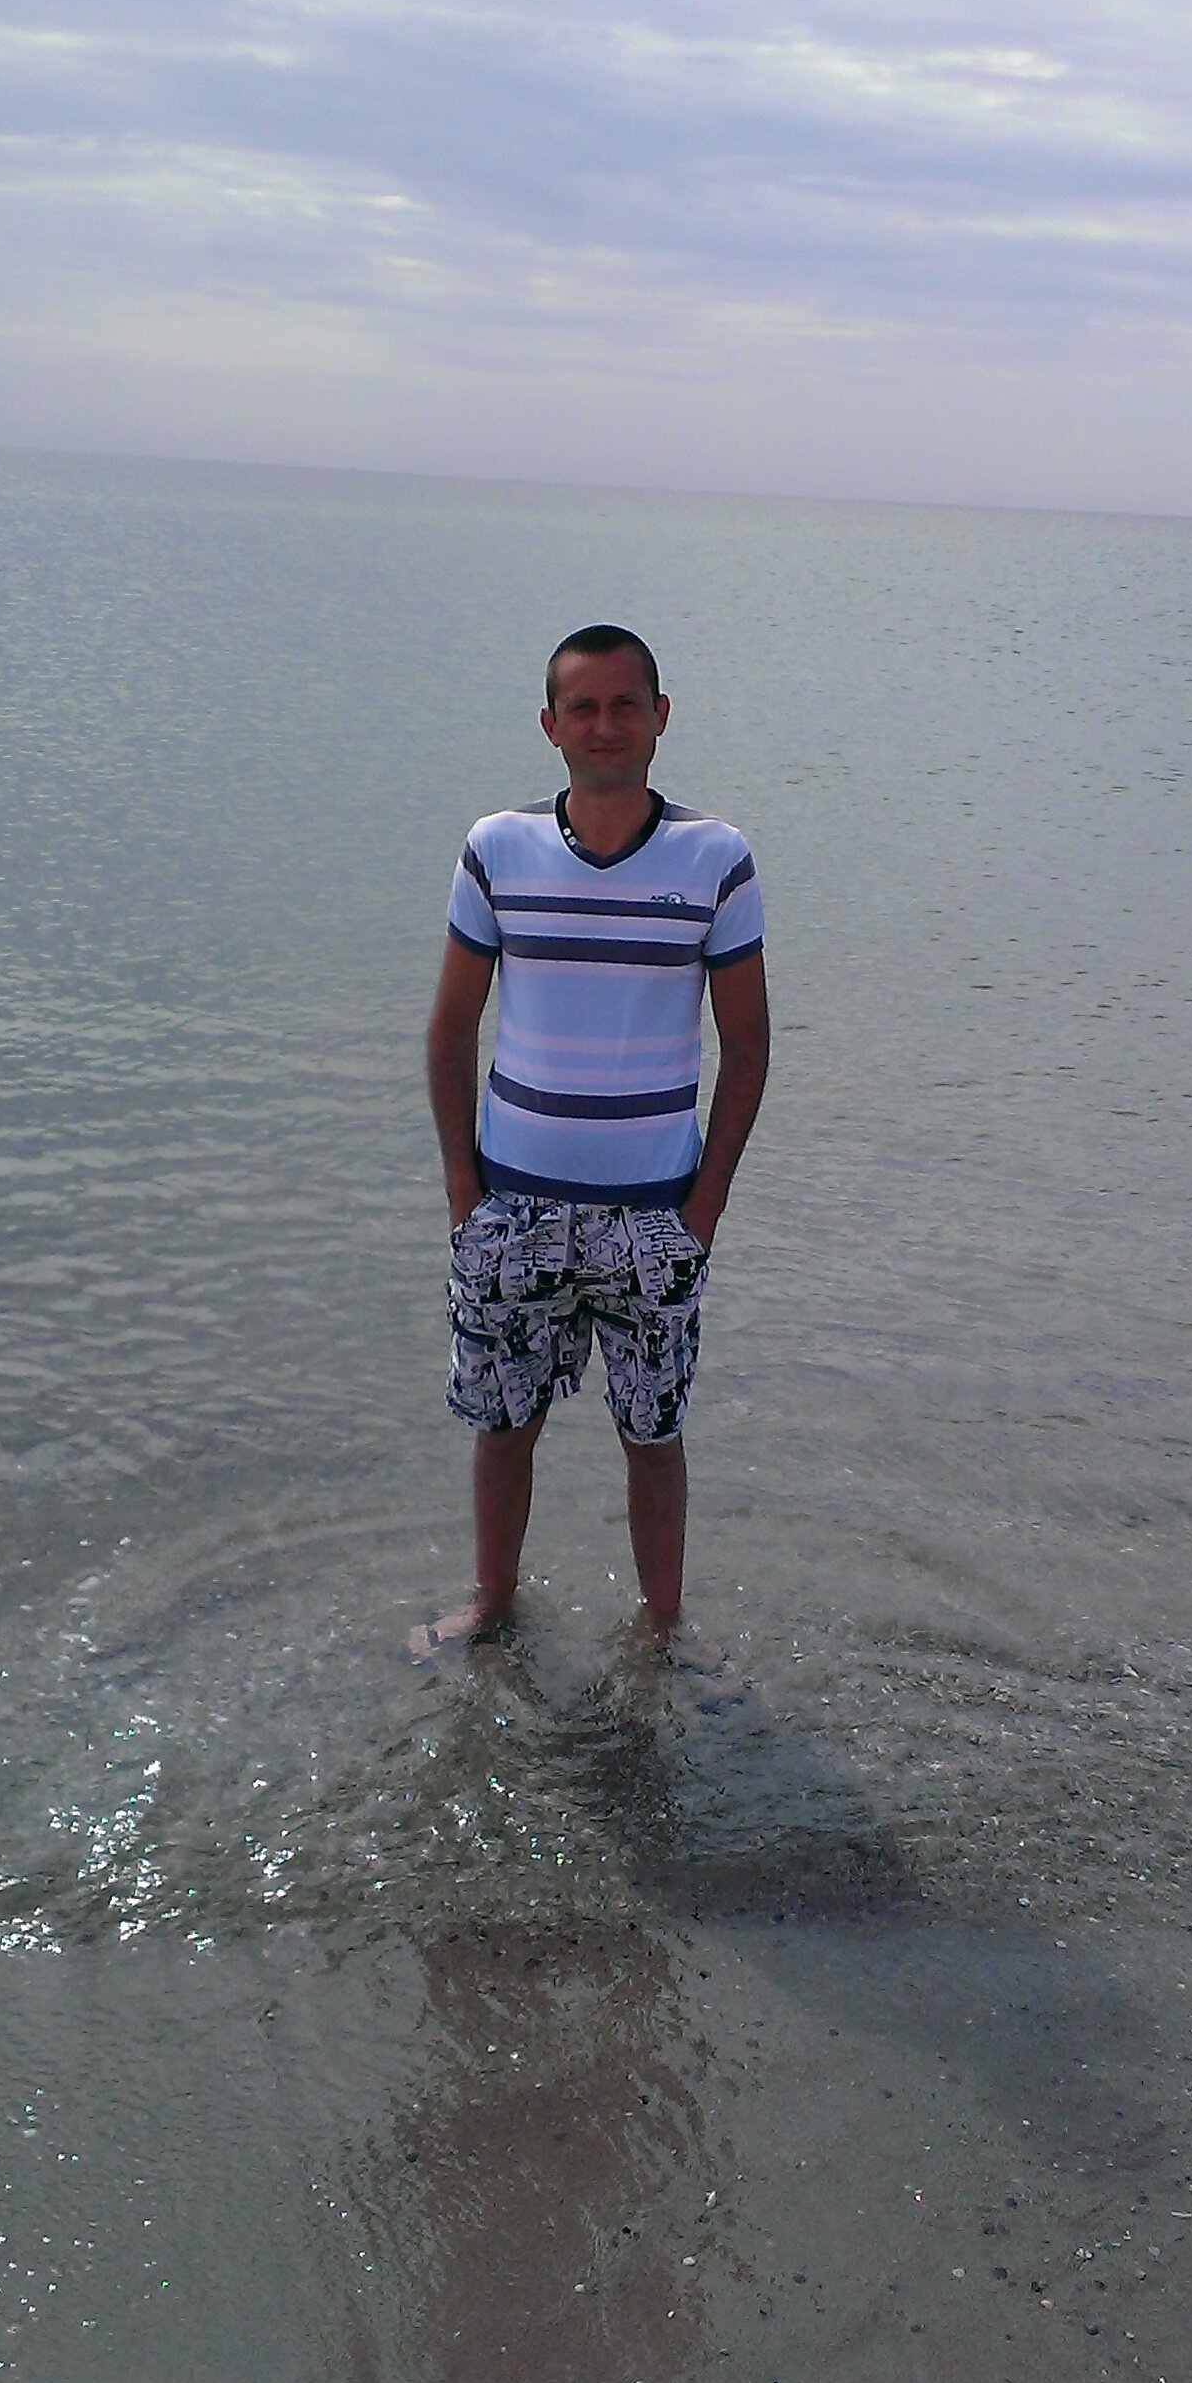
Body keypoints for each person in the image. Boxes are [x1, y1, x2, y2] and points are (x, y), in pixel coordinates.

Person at [411, 623, 769, 1658]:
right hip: (512, 1208)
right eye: (583, 707)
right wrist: (462, 1192)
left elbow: (747, 1045)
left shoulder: (714, 859)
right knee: (501, 1429)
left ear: (660, 717)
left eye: (625, 705)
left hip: (654, 1217)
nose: (604, 726)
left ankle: (663, 1633)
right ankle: (491, 1607)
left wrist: (702, 1212)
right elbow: (451, 1028)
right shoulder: (497, 848)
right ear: (550, 724)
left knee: (653, 1438)